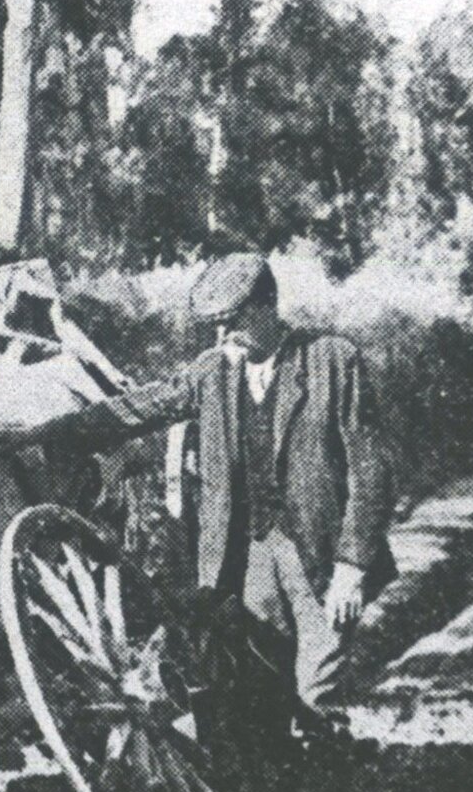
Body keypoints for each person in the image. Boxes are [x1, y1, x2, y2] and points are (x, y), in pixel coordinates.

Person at [36, 252, 395, 763]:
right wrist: (42, 435)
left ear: (269, 305)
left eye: (235, 321)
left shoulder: (333, 360)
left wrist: (353, 566)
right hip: (248, 560)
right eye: (217, 325)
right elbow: (139, 408)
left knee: (319, 694)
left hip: (320, 555)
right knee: (258, 696)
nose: (224, 336)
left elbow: (371, 467)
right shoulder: (211, 374)